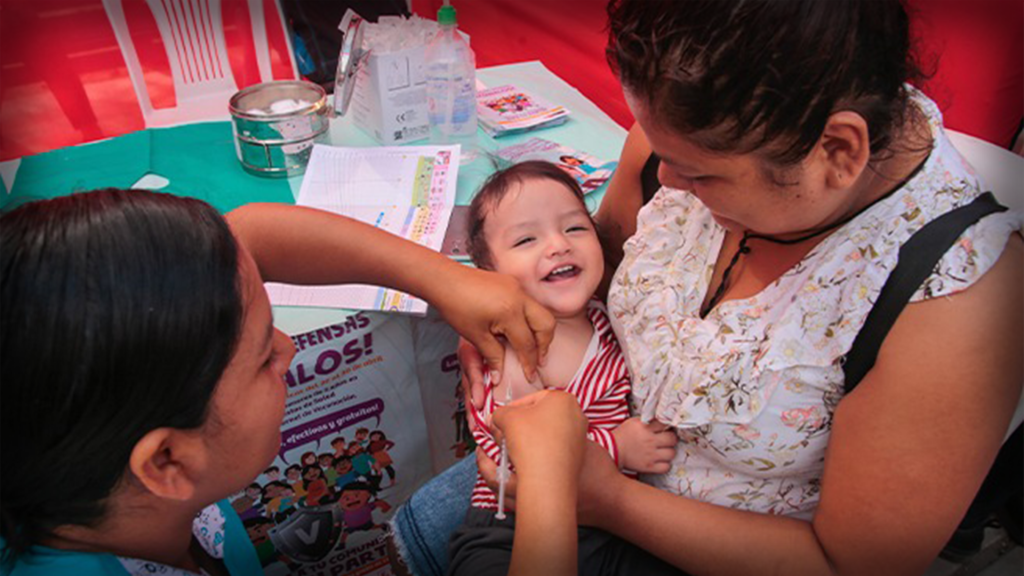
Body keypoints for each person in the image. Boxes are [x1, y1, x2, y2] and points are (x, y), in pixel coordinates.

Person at [388, 1, 1024, 575]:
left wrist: (607, 500)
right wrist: (512, 312)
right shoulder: (691, 123)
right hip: (580, 449)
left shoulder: (956, 302)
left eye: (700, 176)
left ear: (837, 150)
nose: (667, 181)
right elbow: (603, 256)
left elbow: (851, 563)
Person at [0, 188, 554, 575]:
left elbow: (250, 237)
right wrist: (550, 485)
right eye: (264, 355)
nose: (289, 349)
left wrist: (446, 280)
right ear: (167, 461)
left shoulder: (92, 480)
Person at [447, 161, 678, 575]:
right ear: (489, 277)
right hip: (511, 527)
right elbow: (506, 455)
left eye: (575, 227)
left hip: (608, 526)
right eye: (526, 239)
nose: (558, 245)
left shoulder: (600, 313)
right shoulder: (518, 351)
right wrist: (617, 447)